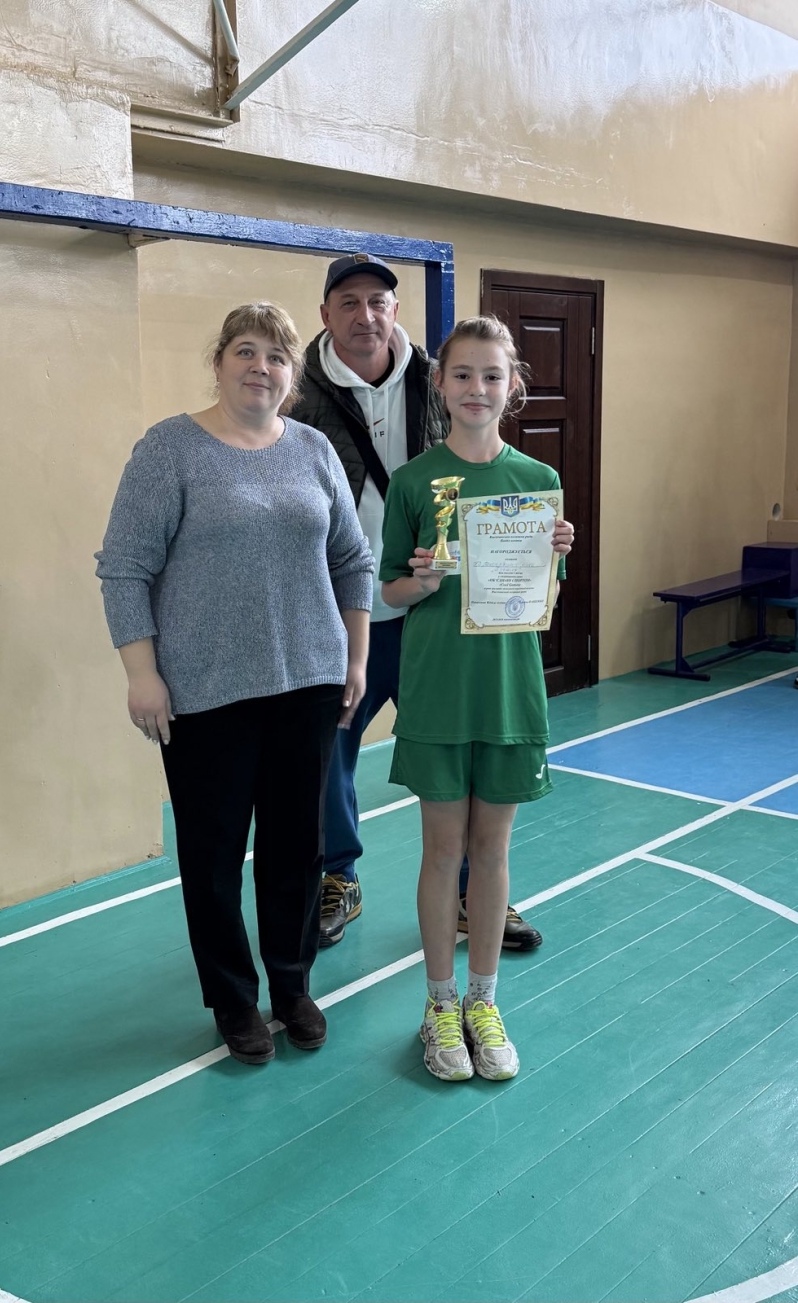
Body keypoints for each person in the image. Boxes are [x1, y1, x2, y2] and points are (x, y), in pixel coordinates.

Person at [95, 302, 373, 1066]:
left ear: (292, 375)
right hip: (206, 693)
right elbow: (124, 567)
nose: (261, 367)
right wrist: (142, 673)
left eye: (277, 356)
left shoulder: (313, 449)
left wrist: (354, 661)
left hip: (308, 683)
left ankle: (291, 983)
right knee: (214, 857)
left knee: (297, 848)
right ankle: (231, 997)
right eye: (245, 351)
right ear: (218, 362)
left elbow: (352, 559)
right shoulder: (170, 449)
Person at [292, 253, 544, 953]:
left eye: (378, 301)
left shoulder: (441, 377)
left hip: (438, 615)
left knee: (462, 758)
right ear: (325, 315)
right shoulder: (298, 398)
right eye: (348, 302)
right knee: (330, 750)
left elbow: (487, 470)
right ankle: (338, 876)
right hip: (342, 612)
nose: (365, 315)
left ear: (395, 311)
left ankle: (474, 892)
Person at [379, 315, 575, 1081]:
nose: (477, 388)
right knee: (442, 850)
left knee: (492, 851)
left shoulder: (538, 481)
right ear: (439, 383)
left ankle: (483, 1001)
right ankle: (438, 1005)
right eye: (462, 373)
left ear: (512, 386)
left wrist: (556, 552)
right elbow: (391, 589)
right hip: (436, 690)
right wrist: (421, 579)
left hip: (508, 693)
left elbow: (543, 593)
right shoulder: (413, 482)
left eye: (492, 375)